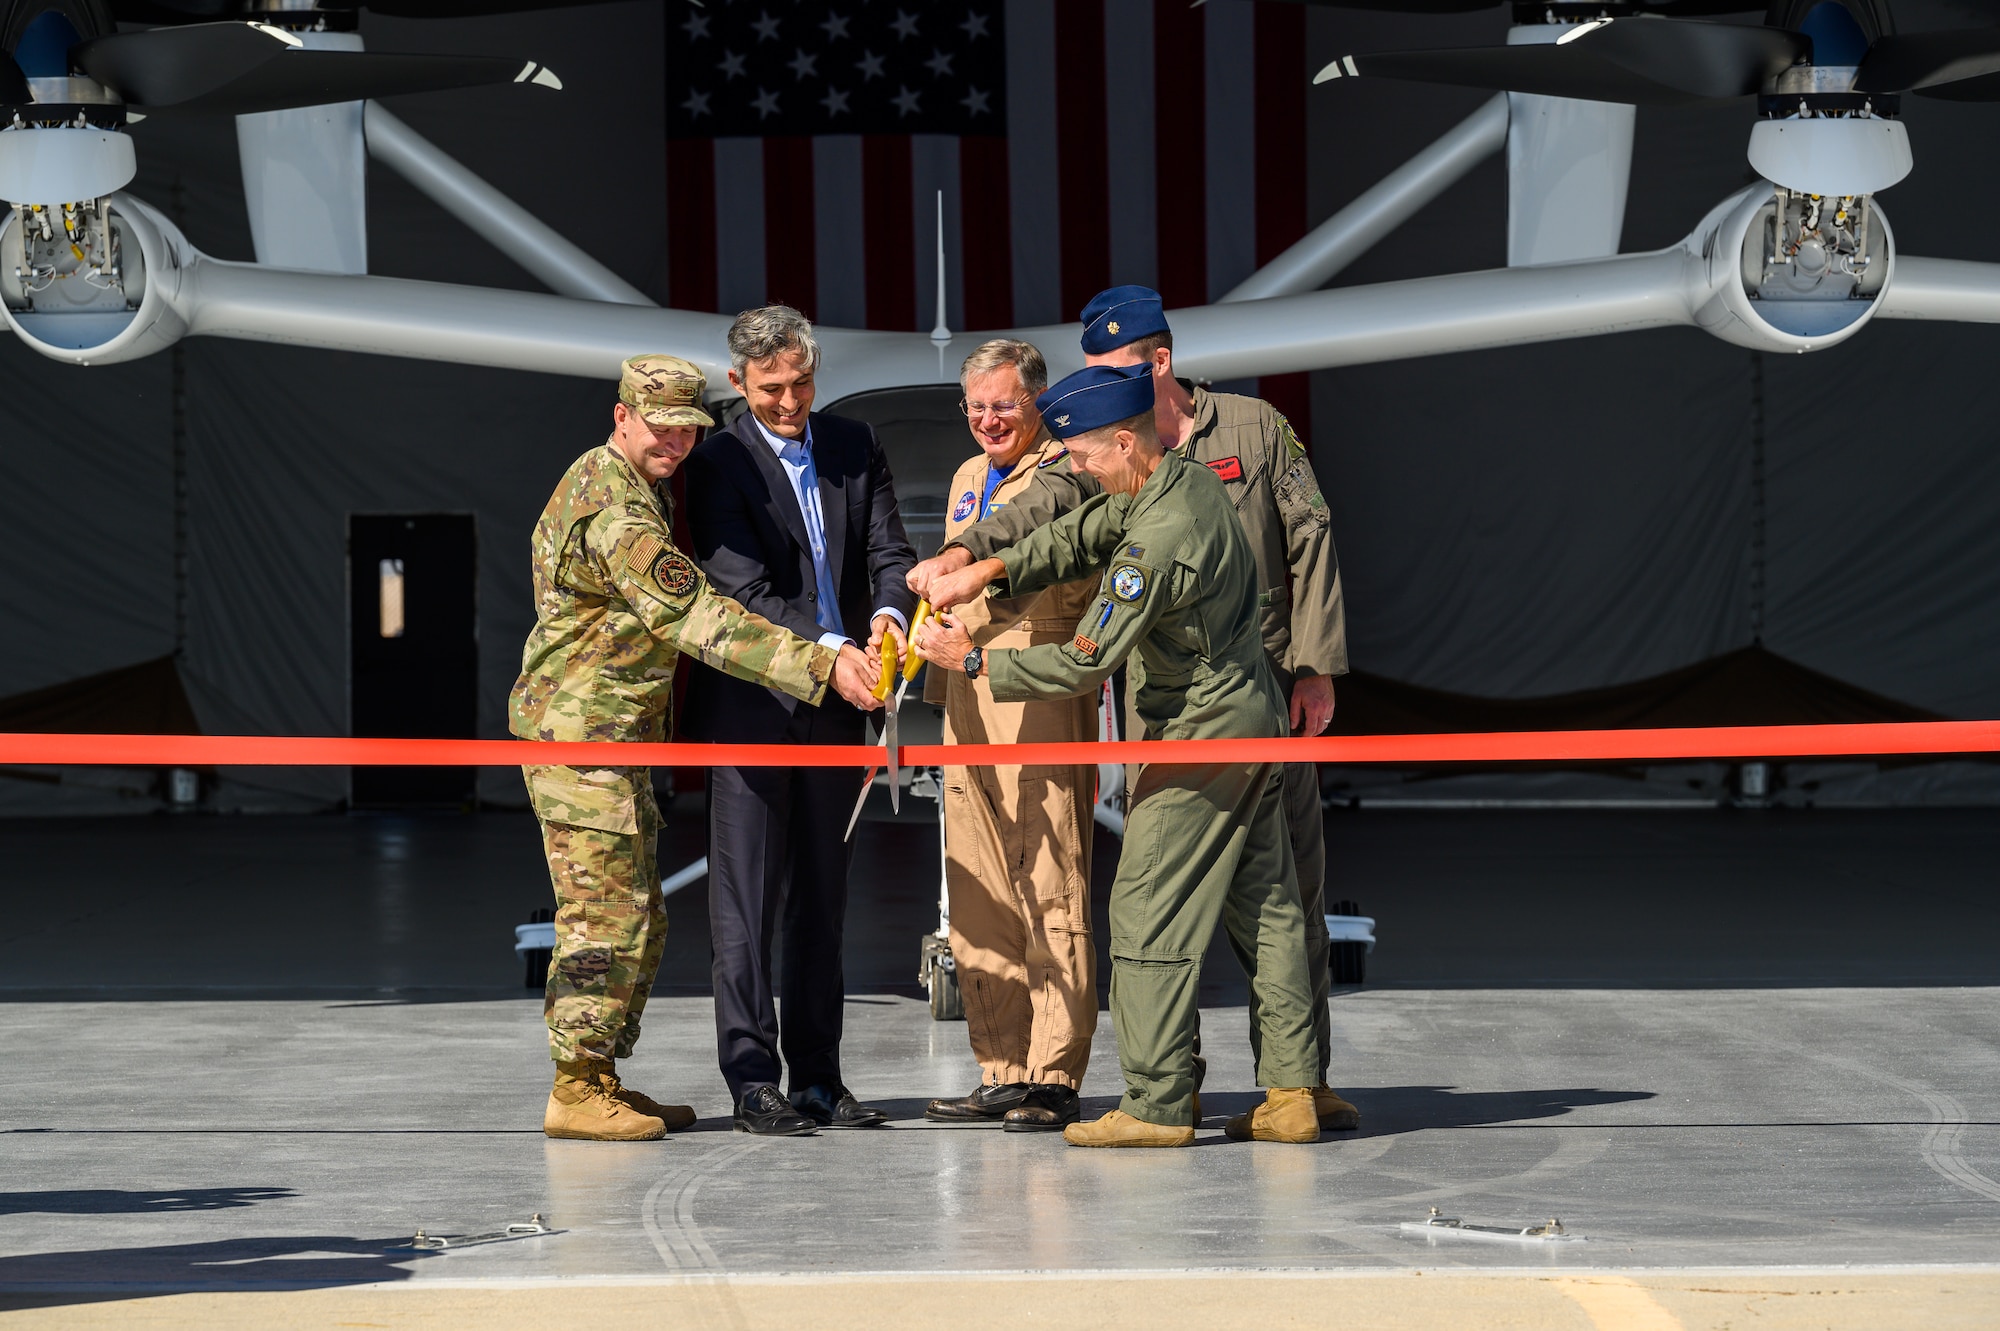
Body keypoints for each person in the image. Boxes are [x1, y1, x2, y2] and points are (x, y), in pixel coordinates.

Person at [909, 285, 1359, 1134]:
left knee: (1144, 906)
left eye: (1081, 449)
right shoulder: (1169, 483)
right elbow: (1068, 530)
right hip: (1241, 717)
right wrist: (982, 567)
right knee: (1266, 903)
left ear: (1127, 430)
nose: (1071, 463)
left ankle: (1155, 1102)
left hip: (1202, 731)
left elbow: (1088, 656)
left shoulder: (1164, 529)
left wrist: (969, 658)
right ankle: (1295, 1092)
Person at [511, 353, 881, 1143]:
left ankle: (599, 1073)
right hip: (587, 741)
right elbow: (696, 619)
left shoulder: (627, 485)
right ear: (621, 417)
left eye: (688, 431)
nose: (676, 445)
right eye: (661, 428)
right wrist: (821, 664)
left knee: (639, 912)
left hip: (615, 738)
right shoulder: (617, 508)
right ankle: (576, 1085)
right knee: (603, 916)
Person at [682, 305, 918, 1136]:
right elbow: (742, 589)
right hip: (757, 707)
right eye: (772, 387)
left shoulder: (855, 443)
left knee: (823, 897)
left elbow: (890, 551)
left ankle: (819, 1076)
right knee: (744, 901)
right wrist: (831, 650)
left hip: (842, 705)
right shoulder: (715, 463)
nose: (790, 400)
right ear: (740, 384)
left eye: (801, 382)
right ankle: (752, 1078)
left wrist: (889, 617)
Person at [919, 340, 1100, 1133]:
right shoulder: (966, 478)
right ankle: (1002, 1066)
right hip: (963, 695)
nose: (990, 420)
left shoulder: (1071, 468)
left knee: (1049, 878)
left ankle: (1054, 1073)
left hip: (1034, 688)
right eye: (977, 406)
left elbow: (1051, 559)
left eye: (1006, 404)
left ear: (1039, 401)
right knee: (980, 884)